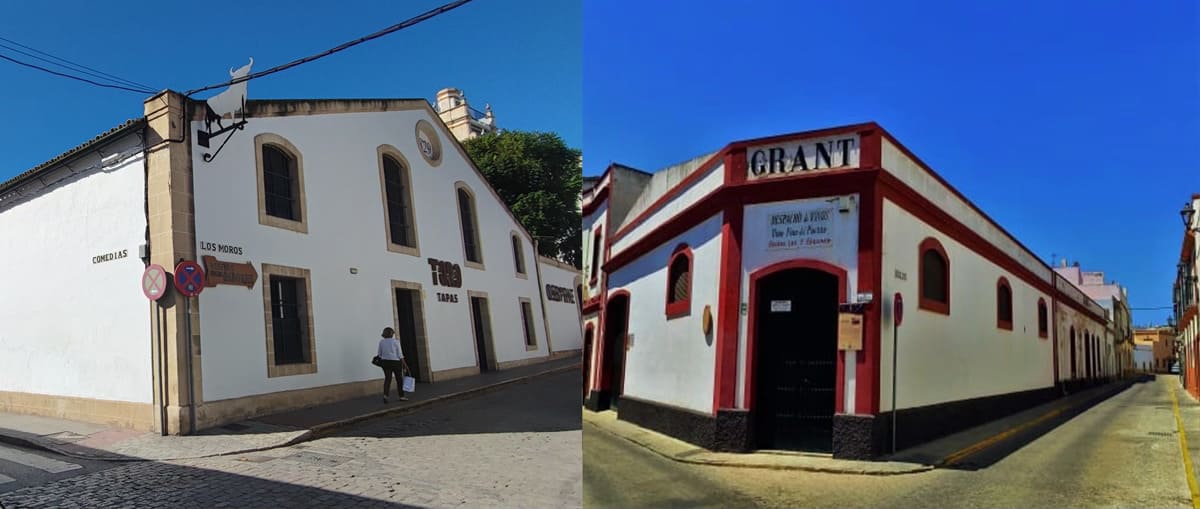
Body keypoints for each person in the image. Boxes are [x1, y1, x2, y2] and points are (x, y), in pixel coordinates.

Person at [377, 327, 410, 403]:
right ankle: (401, 396)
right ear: (391, 334)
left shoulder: (381, 342)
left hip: (385, 362)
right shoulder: (396, 342)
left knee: (388, 379)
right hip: (395, 362)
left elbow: (379, 354)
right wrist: (405, 365)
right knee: (399, 379)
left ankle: (385, 396)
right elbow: (400, 355)